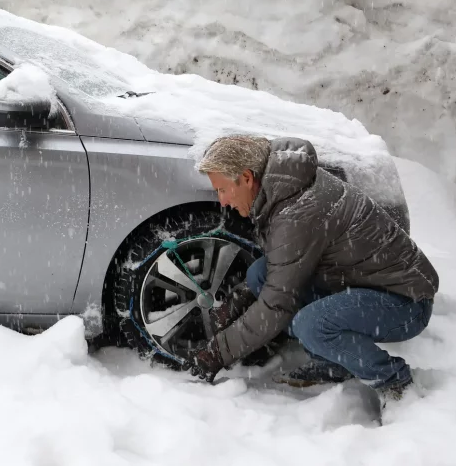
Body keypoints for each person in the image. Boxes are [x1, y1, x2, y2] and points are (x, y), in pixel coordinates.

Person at [173, 135, 439, 404]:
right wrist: (245, 295)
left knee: (310, 325)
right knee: (259, 276)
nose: (222, 201)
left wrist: (218, 352)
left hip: (405, 300)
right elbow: (282, 271)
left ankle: (396, 384)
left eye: (222, 190)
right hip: (363, 282)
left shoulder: (296, 213)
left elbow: (277, 306)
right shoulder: (285, 187)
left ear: (246, 178)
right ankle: (334, 364)